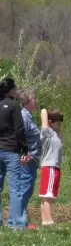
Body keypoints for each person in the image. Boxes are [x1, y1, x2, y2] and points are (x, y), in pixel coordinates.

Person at [0, 77, 27, 228]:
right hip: (11, 150)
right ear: (11, 90)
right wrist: (24, 148)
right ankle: (17, 222)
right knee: (15, 188)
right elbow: (19, 129)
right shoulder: (14, 105)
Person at [13, 88, 40, 229]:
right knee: (24, 188)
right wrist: (24, 154)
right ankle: (18, 222)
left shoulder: (28, 115)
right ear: (27, 102)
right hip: (26, 159)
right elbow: (20, 136)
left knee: (27, 188)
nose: (36, 101)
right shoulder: (23, 116)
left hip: (31, 158)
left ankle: (19, 219)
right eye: (34, 99)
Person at [38, 108, 64, 225]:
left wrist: (57, 119)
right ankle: (49, 221)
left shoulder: (56, 133)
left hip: (53, 167)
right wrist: (47, 112)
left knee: (46, 196)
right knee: (48, 196)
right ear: (49, 122)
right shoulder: (47, 132)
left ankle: (45, 220)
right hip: (50, 167)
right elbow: (43, 113)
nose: (58, 125)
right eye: (56, 122)